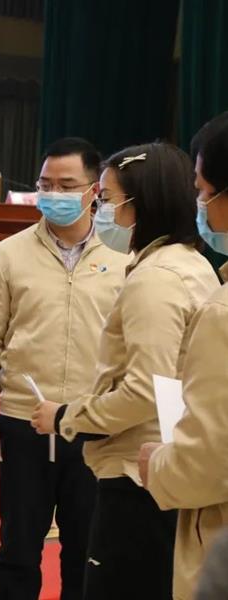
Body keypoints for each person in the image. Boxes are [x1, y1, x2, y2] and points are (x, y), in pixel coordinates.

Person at [31, 142, 221, 600]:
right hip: (163, 466)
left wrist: (66, 416)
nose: (101, 211)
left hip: (139, 474)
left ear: (142, 203)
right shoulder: (192, 264)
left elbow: (145, 389)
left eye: (108, 199)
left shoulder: (156, 277)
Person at [0, 138, 131, 600]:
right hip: (23, 423)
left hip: (92, 425)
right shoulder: (9, 253)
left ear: (94, 191)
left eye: (67, 186)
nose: (54, 194)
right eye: (46, 184)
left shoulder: (124, 255)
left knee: (85, 553)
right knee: (17, 552)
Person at [138, 112, 228, 600]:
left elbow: (207, 462)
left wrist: (159, 465)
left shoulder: (221, 313)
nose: (201, 205)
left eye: (204, 191)